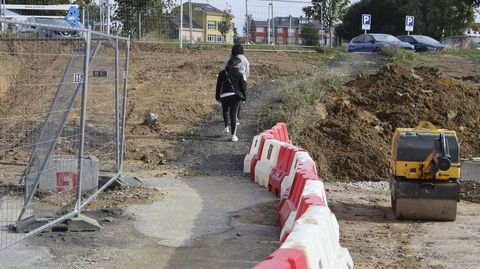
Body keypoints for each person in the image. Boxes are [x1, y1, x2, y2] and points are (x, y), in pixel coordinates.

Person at [216, 57, 246, 142]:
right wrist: (244, 98)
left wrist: (217, 97)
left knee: (225, 110)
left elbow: (218, 86)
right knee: (233, 115)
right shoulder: (239, 74)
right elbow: (242, 88)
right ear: (237, 65)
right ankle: (233, 136)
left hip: (224, 95)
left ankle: (226, 128)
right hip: (235, 96)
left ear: (228, 64)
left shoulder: (222, 73)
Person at [225, 44, 250, 125]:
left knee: (231, 97)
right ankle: (236, 116)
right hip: (242, 80)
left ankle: (230, 115)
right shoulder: (245, 59)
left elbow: (225, 68)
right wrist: (245, 78)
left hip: (231, 80)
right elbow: (247, 71)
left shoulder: (230, 59)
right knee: (239, 99)